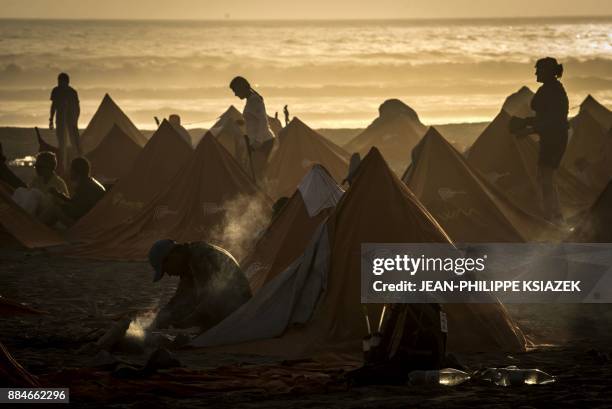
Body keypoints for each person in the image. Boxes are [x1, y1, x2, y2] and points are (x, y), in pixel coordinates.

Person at [510, 57, 569, 224]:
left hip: (554, 139)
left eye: (539, 70)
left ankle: (552, 217)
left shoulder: (553, 91)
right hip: (552, 138)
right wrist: (527, 123)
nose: (536, 73)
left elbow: (552, 122)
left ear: (548, 72)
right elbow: (545, 118)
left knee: (546, 177)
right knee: (546, 176)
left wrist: (529, 129)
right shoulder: (551, 89)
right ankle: (555, 214)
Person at [148, 239, 252, 330]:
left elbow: (211, 300)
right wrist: (160, 317)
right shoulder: (189, 261)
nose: (169, 274)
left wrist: (184, 322)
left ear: (172, 256)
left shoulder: (201, 256)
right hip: (230, 313)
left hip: (238, 315)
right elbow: (181, 298)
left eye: (166, 269)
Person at [229, 76, 275, 181]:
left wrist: (257, 142)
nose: (235, 94)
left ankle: (263, 195)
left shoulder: (254, 100)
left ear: (241, 88)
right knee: (257, 173)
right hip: (258, 143)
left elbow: (262, 121)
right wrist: (243, 122)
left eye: (235, 91)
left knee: (259, 174)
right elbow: (254, 120)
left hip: (263, 142)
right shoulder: (251, 100)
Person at [48, 157, 105, 226]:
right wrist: (59, 194)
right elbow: (76, 203)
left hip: (82, 225)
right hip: (89, 221)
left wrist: (60, 205)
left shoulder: (84, 187)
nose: (69, 172)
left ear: (76, 171)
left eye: (71, 169)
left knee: (53, 209)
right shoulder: (89, 183)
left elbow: (75, 212)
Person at [49, 72, 81, 169]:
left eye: (61, 82)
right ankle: (63, 164)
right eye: (59, 82)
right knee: (61, 143)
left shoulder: (72, 92)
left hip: (71, 121)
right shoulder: (56, 91)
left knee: (74, 142)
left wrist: (75, 120)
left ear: (66, 82)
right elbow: (53, 106)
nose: (60, 84)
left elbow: (77, 107)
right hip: (60, 120)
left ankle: (76, 162)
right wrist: (51, 119)